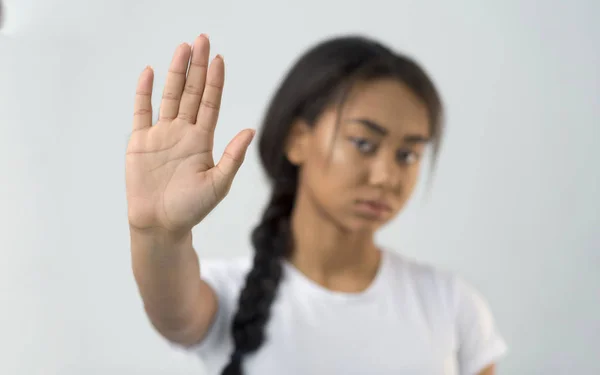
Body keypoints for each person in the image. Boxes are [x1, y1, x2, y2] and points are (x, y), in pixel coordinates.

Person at [126, 33, 507, 375]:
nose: (386, 176)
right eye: (364, 143)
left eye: (407, 155)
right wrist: (160, 234)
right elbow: (174, 313)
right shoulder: (227, 294)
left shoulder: (451, 305)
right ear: (297, 139)